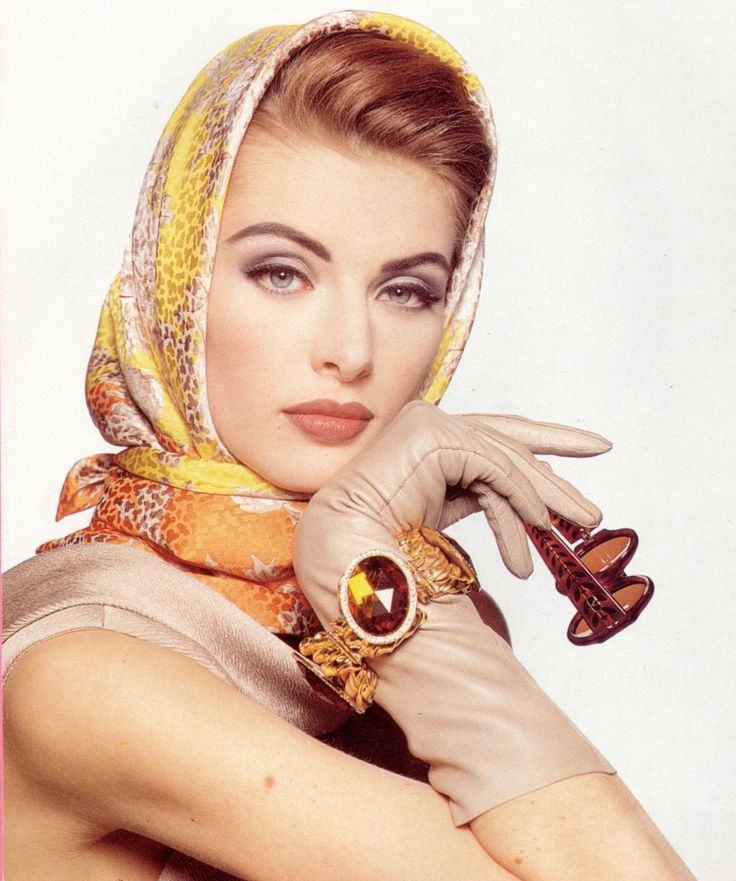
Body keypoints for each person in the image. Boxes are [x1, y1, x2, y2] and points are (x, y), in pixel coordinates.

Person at [2, 10, 695, 881]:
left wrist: (365, 560)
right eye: (281, 273)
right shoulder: (89, 667)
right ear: (175, 288)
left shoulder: (407, 603)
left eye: (406, 291)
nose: (352, 351)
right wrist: (373, 568)